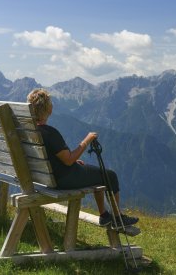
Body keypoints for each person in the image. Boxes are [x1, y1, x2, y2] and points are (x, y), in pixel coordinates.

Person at [27, 88, 138, 228]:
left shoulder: (30, 131)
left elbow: (49, 156)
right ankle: (117, 219)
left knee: (96, 173)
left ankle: (105, 216)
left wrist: (71, 161)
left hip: (46, 178)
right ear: (48, 109)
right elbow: (68, 159)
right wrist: (87, 140)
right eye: (51, 103)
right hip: (62, 179)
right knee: (110, 176)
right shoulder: (50, 133)